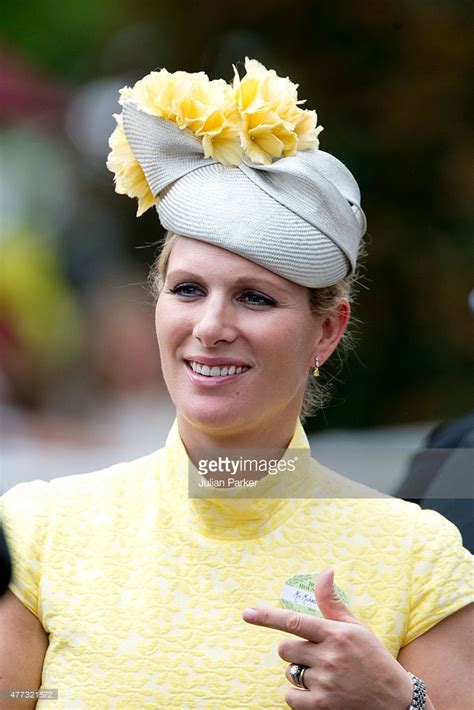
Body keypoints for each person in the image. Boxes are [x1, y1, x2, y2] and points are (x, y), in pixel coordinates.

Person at [1, 58, 472, 710]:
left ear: (327, 331)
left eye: (254, 298)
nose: (211, 326)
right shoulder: (40, 534)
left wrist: (404, 703)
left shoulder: (420, 556)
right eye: (188, 289)